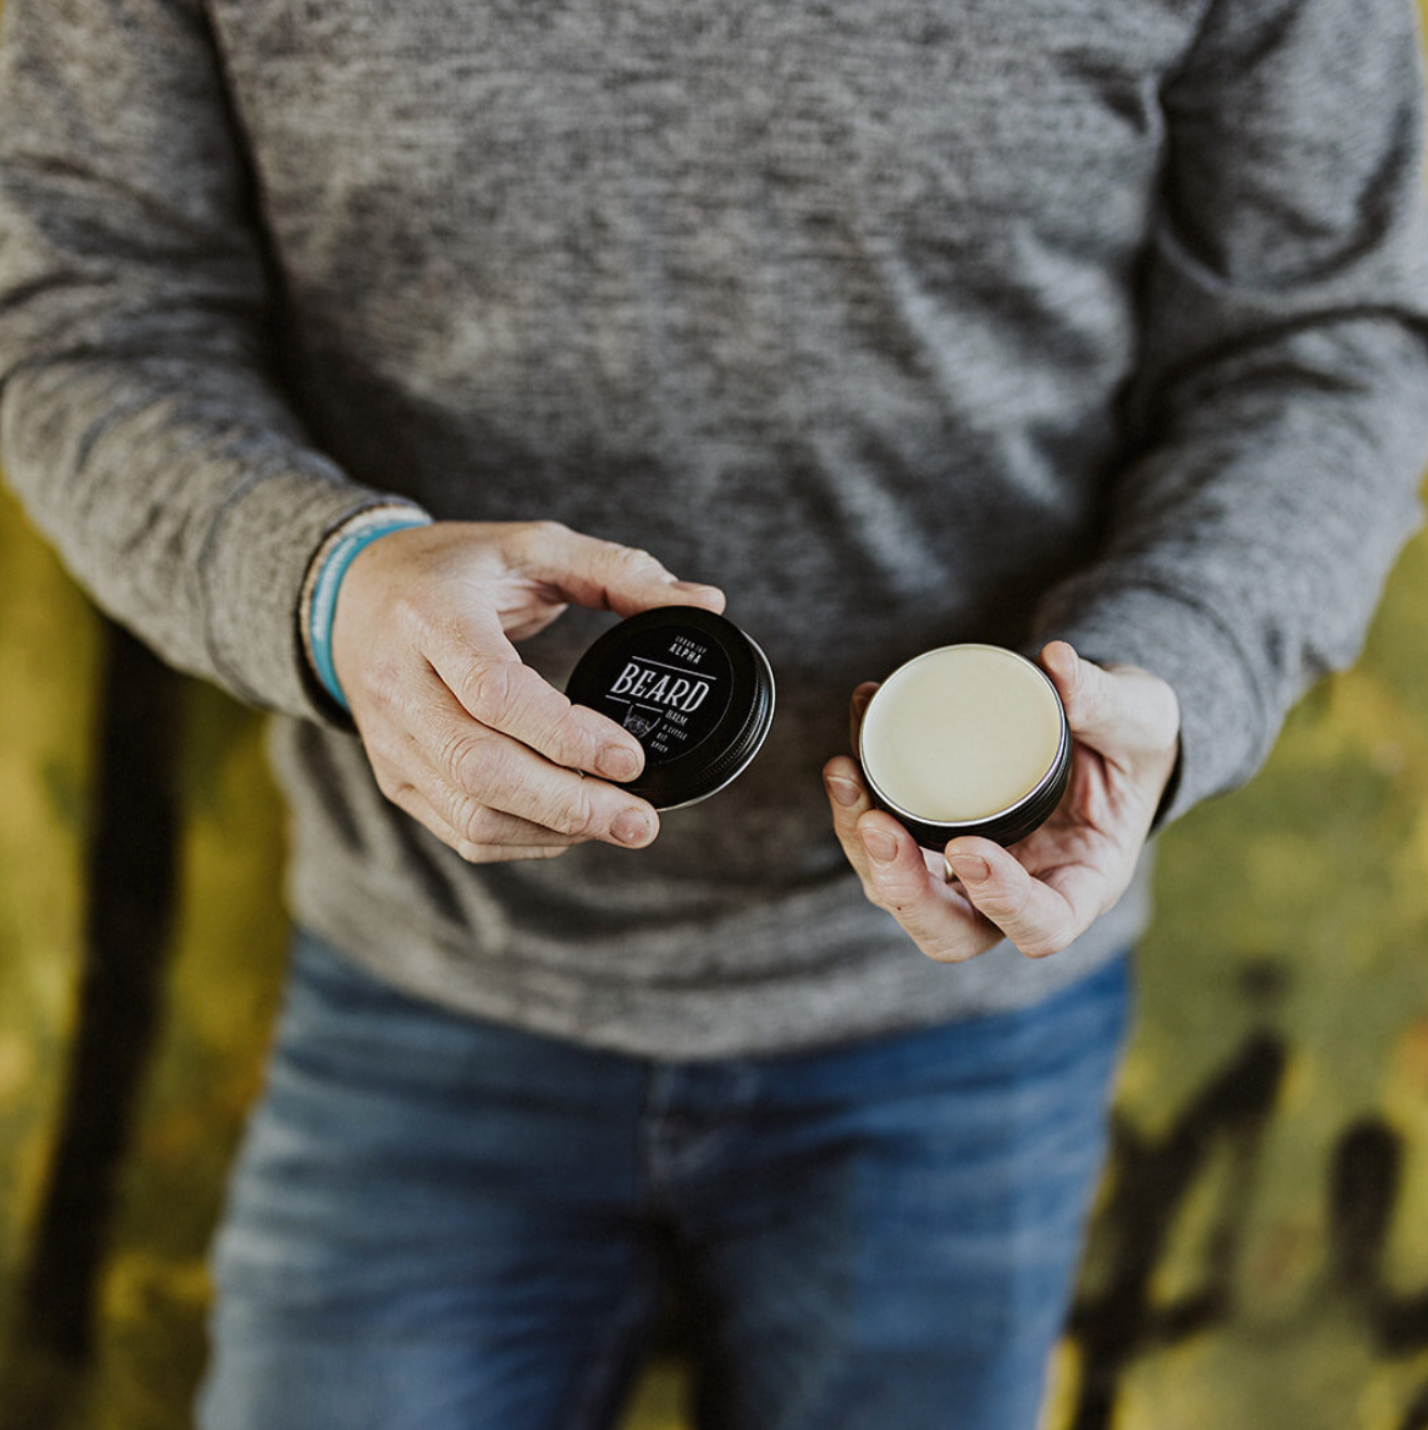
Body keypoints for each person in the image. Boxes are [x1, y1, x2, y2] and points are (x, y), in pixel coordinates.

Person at [2, 0, 1426, 1426]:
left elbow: (1328, 339)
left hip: (962, 1013)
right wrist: (334, 589)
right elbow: (87, 322)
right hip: (426, 970)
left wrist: (1157, 678)